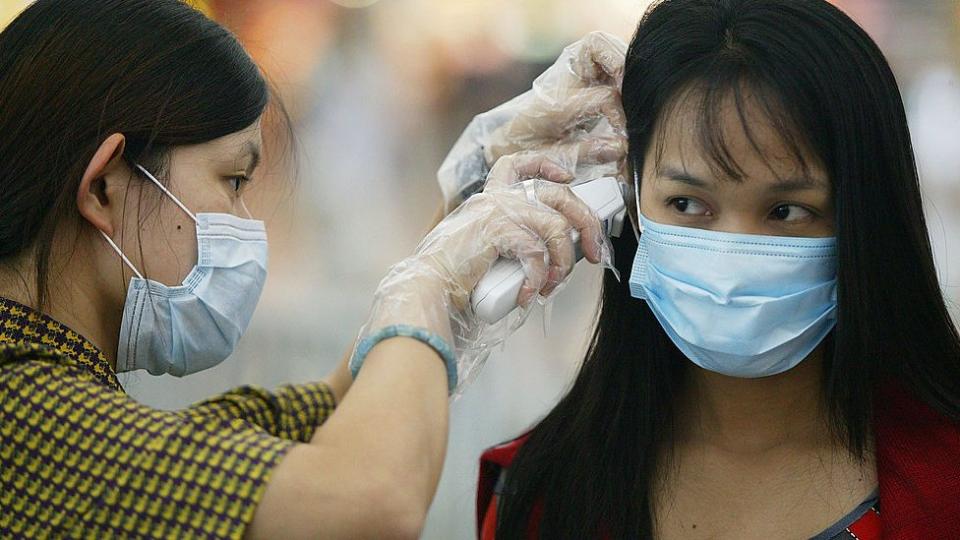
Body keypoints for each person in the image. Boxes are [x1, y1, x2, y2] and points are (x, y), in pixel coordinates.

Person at [0, 1, 625, 538]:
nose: (246, 220)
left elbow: (333, 409)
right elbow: (369, 501)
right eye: (233, 180)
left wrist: (465, 203)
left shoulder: (62, 389)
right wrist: (428, 285)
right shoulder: (27, 409)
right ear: (105, 187)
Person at [464, 0, 960, 538]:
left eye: (786, 211)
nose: (731, 258)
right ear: (628, 201)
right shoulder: (541, 493)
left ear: (864, 216)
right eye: (687, 204)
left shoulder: (945, 483)